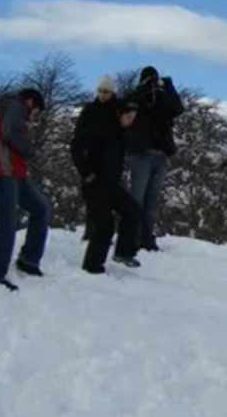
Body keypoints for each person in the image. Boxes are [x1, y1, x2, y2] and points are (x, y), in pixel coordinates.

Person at [0, 88, 51, 291]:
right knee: (7, 219)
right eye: (36, 111)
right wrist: (30, 151)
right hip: (2, 169)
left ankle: (29, 260)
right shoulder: (15, 105)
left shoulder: (8, 106)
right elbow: (9, 132)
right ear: (30, 102)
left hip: (13, 171)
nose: (33, 116)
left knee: (41, 208)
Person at [71, 98, 143, 273]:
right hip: (95, 185)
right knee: (105, 226)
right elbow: (76, 147)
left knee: (132, 211)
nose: (131, 121)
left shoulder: (122, 133)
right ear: (119, 114)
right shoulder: (101, 129)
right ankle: (92, 267)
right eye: (129, 117)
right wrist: (86, 173)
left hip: (111, 185)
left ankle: (123, 252)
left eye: (133, 118)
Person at [127, 66, 183, 252]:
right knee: (137, 199)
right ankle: (132, 237)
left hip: (160, 154)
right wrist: (145, 87)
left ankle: (146, 238)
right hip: (141, 154)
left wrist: (168, 86)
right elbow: (129, 103)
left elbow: (177, 108)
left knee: (151, 201)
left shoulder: (162, 98)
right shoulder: (138, 96)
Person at [79, 75, 119, 242]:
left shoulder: (117, 110)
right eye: (100, 91)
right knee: (92, 199)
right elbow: (79, 135)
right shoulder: (89, 109)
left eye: (106, 92)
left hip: (111, 162)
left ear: (112, 92)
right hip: (91, 160)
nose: (102, 94)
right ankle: (90, 232)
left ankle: (104, 233)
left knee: (108, 200)